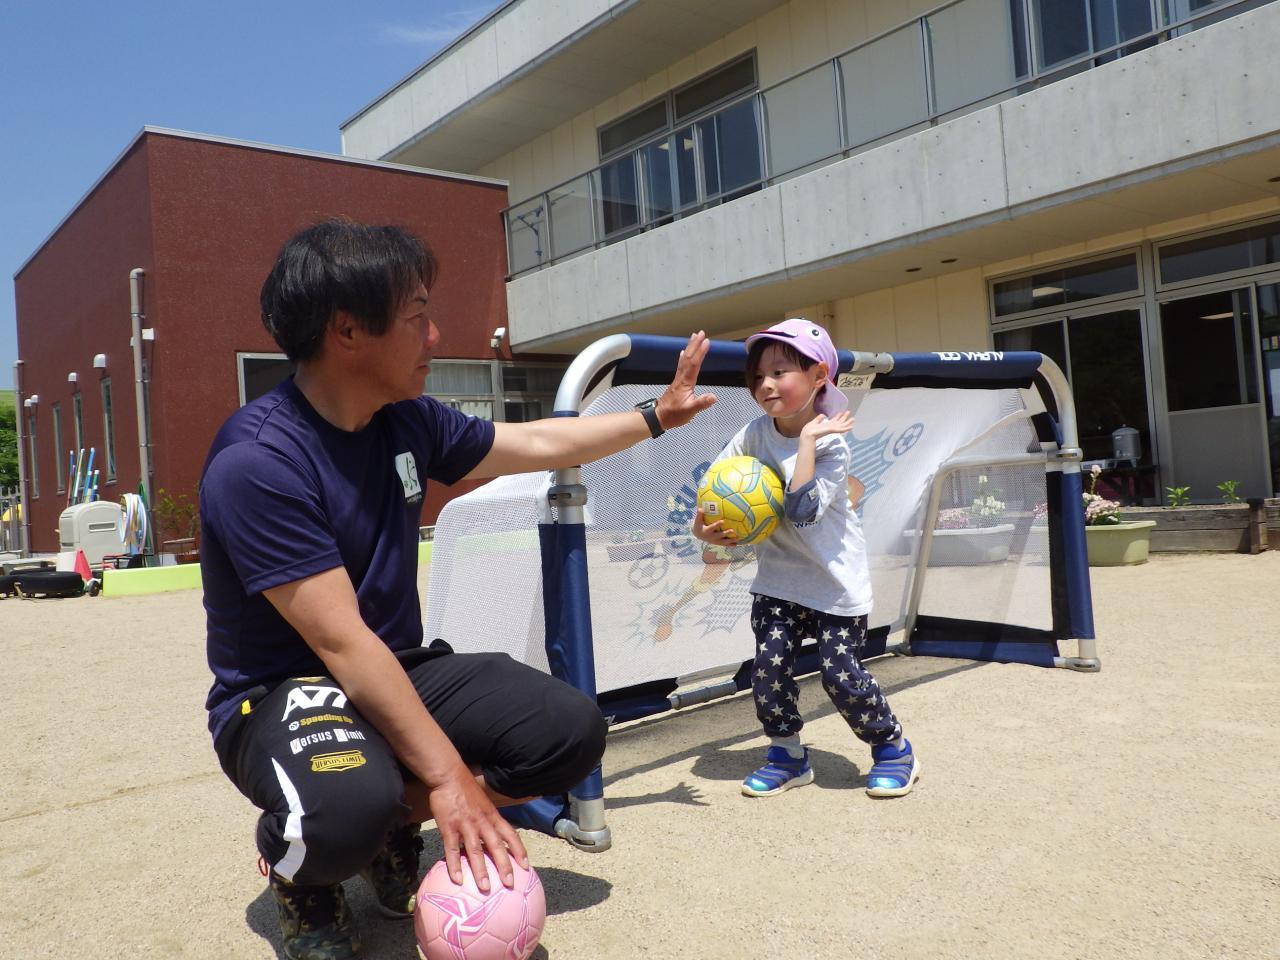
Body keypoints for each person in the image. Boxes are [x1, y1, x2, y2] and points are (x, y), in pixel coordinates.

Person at [200, 220, 715, 960]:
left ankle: (382, 827)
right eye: (417, 316)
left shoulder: (405, 421)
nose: (435, 335)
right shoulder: (259, 462)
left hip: (392, 664)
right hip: (281, 692)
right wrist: (448, 781)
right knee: (348, 807)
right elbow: (339, 641)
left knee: (569, 730)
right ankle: (306, 865)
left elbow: (533, 443)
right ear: (348, 330)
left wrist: (655, 417)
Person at [691, 318, 920, 800]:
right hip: (779, 584)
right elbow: (714, 488)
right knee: (768, 673)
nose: (766, 384)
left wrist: (808, 442)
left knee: (841, 677)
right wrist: (704, 527)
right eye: (758, 376)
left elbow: (802, 511)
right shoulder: (753, 433)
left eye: (779, 372)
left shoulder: (831, 443)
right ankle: (787, 756)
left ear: (818, 376)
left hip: (835, 586)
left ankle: (893, 749)